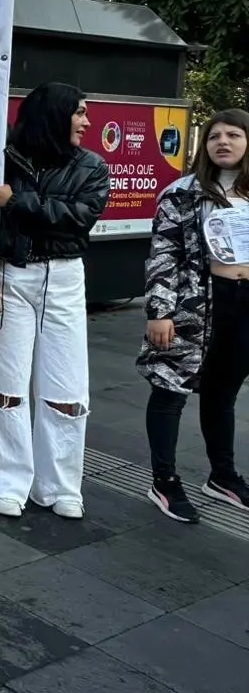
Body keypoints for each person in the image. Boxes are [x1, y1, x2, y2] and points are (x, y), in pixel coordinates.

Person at [0, 82, 109, 519]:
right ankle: (5, 479)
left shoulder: (92, 166)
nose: (86, 121)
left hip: (64, 280)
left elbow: (79, 220)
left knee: (67, 388)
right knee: (4, 385)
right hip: (8, 278)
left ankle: (59, 485)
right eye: (79, 112)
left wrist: (16, 202)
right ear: (53, 114)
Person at [140, 109, 249, 522]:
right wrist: (160, 311)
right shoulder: (182, 193)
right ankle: (163, 481)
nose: (223, 142)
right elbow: (164, 255)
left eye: (234, 135)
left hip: (246, 301)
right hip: (196, 302)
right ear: (203, 146)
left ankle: (222, 476)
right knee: (170, 387)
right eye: (214, 136)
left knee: (224, 392)